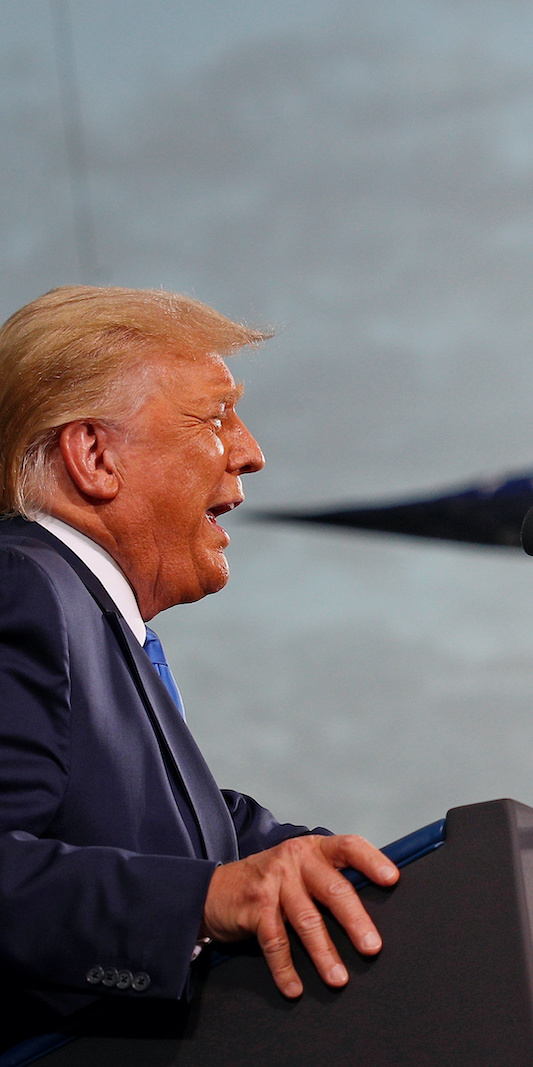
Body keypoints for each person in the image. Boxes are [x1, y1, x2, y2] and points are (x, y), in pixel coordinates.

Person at [0, 286, 399, 1043]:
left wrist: (408, 879)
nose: (250, 450)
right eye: (216, 415)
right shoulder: (25, 587)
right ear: (94, 455)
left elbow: (220, 835)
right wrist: (203, 899)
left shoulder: (99, 633)